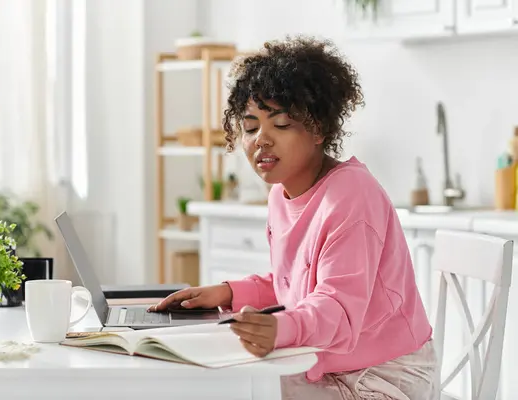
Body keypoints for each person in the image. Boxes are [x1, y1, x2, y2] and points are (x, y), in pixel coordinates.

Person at [150, 35, 437, 399]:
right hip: (330, 365)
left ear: (317, 129)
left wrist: (279, 328)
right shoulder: (281, 194)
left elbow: (338, 307)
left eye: (281, 125)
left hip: (384, 377)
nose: (261, 140)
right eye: (251, 127)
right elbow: (295, 284)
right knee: (222, 385)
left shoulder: (352, 196)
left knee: (236, 390)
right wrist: (228, 293)